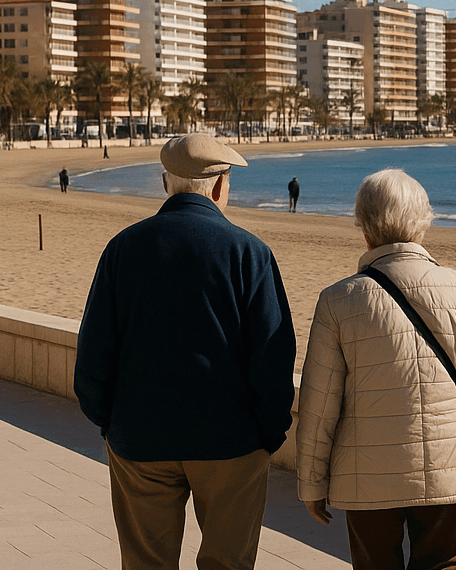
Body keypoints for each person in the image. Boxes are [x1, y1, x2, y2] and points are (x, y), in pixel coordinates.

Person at [74, 133, 296, 570]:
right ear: (219, 187)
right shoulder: (249, 253)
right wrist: (269, 435)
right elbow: (273, 356)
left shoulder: (123, 248)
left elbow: (95, 351)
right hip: (231, 443)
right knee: (227, 563)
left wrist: (109, 423)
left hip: (139, 439)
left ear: (164, 184)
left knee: (145, 563)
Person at [297, 168, 456, 570]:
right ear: (423, 224)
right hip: (450, 471)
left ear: (364, 229)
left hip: (366, 477)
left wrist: (311, 483)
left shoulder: (338, 301)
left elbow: (319, 404)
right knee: (446, 564)